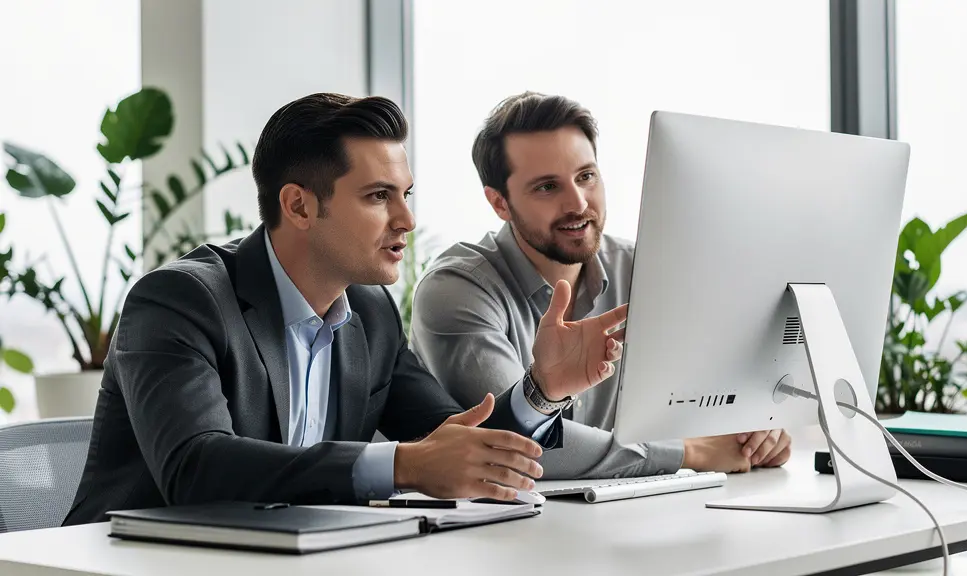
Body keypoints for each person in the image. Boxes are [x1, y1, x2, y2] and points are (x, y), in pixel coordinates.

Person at [64, 93, 630, 526]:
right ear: (299, 205)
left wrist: (543, 389)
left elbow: (458, 441)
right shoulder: (180, 301)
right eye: (379, 196)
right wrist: (402, 465)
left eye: (406, 194)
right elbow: (196, 470)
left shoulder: (369, 312)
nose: (406, 221)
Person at [410, 92, 792, 477]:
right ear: (500, 204)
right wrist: (686, 453)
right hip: (497, 527)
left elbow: (713, 400)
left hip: (621, 517)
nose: (577, 203)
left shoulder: (642, 269)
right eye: (547, 187)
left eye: (586, 176)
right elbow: (523, 442)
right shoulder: (458, 290)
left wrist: (757, 430)